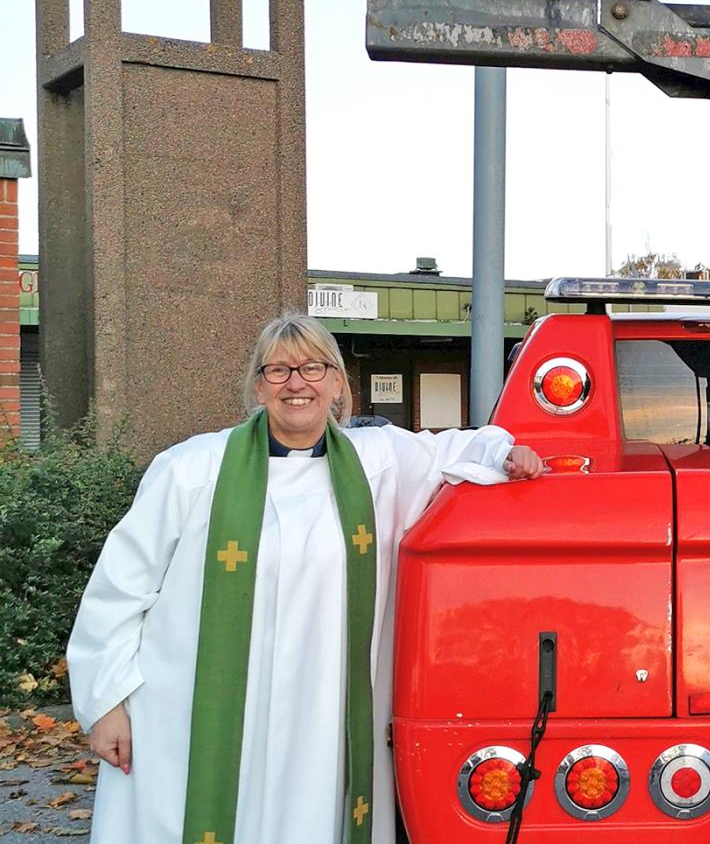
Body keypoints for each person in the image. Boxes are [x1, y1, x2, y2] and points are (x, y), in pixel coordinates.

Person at [67, 313, 545, 844]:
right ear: (257, 385)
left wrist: (508, 454)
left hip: (322, 717)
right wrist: (106, 703)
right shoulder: (191, 469)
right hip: (192, 714)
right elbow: (118, 591)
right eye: (278, 370)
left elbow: (458, 449)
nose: (297, 383)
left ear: (339, 383)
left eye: (314, 368)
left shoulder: (378, 464)